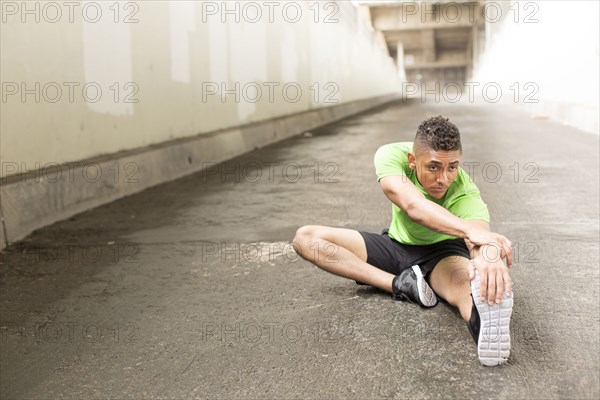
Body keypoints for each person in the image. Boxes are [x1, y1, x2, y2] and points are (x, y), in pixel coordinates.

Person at [292, 115, 514, 366]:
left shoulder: (465, 191)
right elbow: (412, 205)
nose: (444, 178)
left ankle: (483, 321)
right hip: (394, 246)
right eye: (434, 167)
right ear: (412, 161)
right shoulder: (391, 155)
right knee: (305, 238)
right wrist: (468, 231)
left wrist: (488, 256)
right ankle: (401, 285)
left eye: (452, 167)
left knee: (465, 283)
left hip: (441, 254)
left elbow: (479, 234)